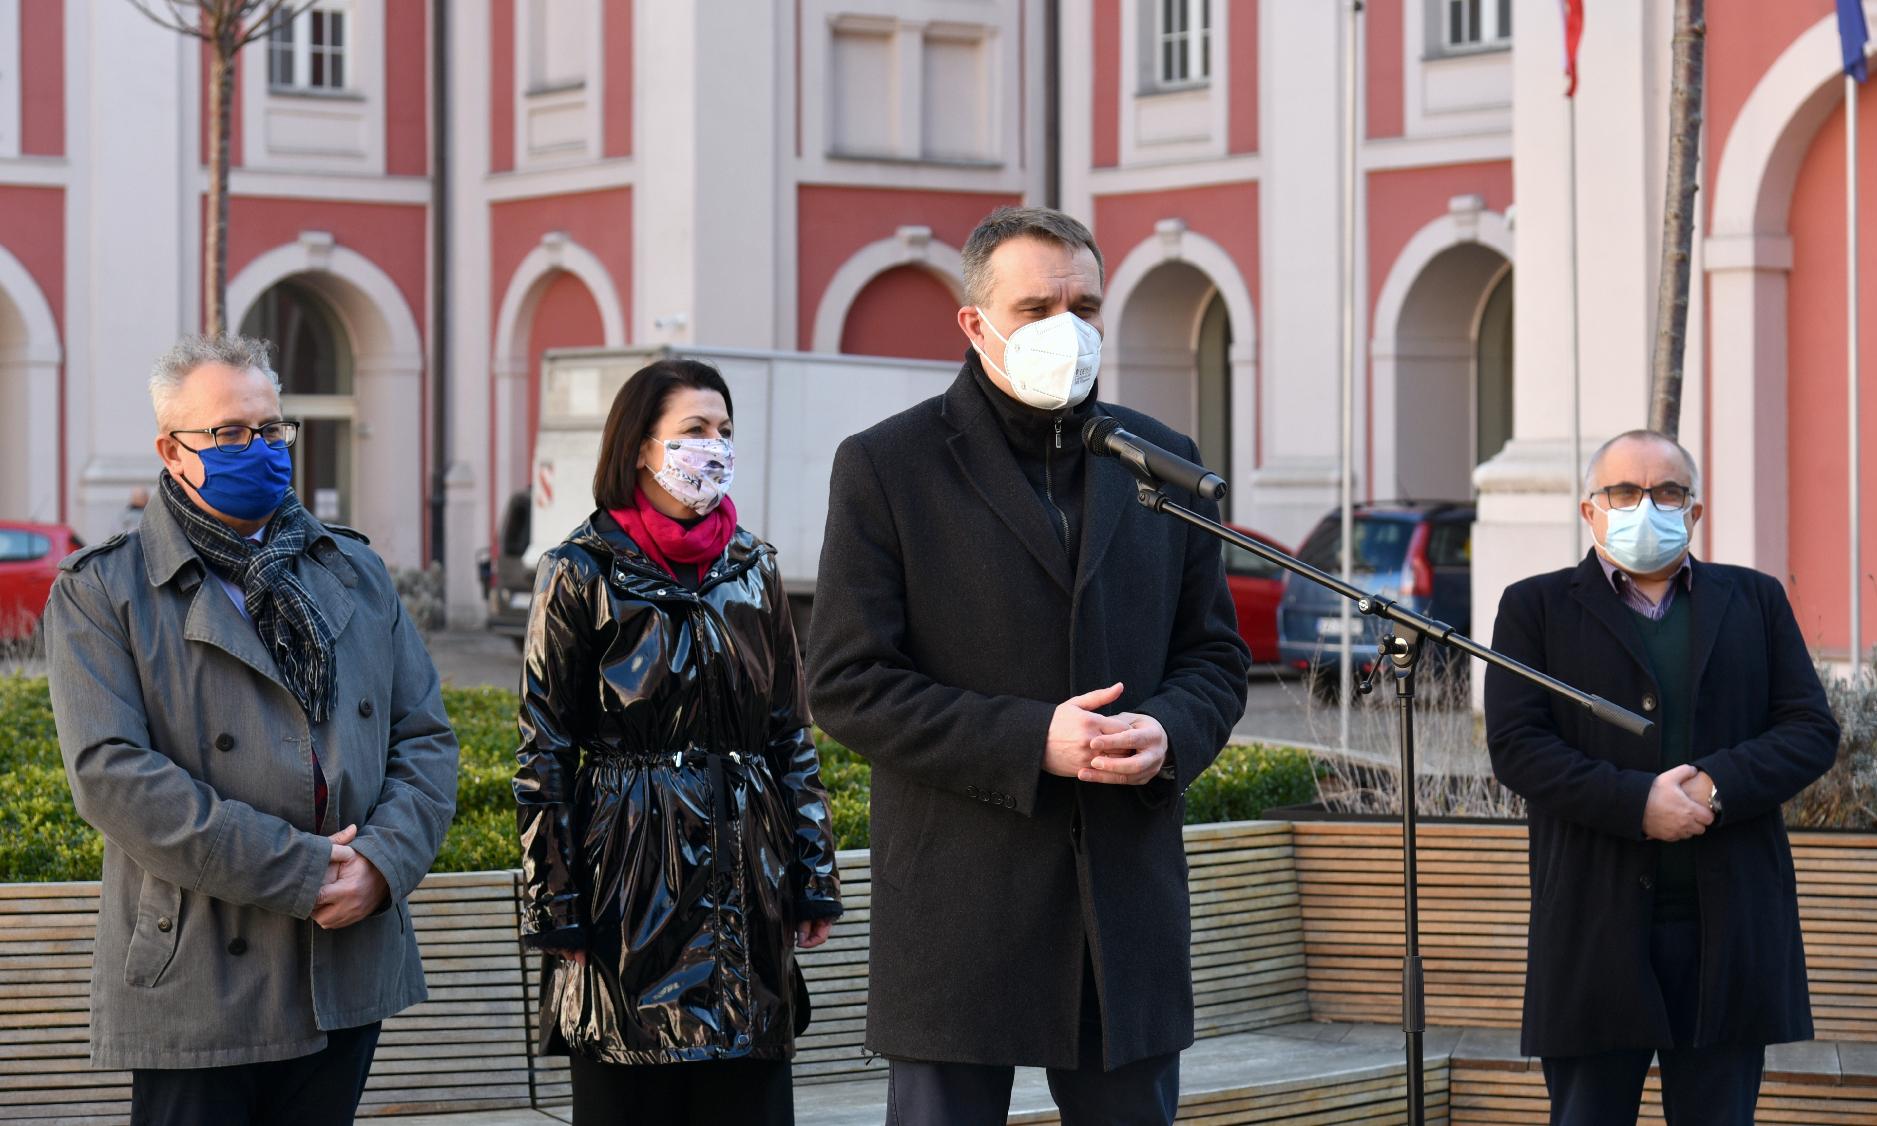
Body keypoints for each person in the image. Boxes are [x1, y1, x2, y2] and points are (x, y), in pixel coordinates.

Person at [806, 206, 1251, 1124]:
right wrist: (1030, 740)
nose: (1069, 331)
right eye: (1038, 307)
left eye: (1085, 306)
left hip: (1122, 918)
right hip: (961, 911)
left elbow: (1214, 656)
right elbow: (846, 682)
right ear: (975, 324)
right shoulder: (889, 465)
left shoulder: (1162, 461)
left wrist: (1168, 731)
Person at [44, 334, 460, 1126]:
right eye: (230, 433)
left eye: (272, 429)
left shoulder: (354, 571)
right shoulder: (105, 590)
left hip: (344, 960)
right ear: (172, 450)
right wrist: (303, 872)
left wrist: (380, 864)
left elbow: (425, 740)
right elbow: (112, 776)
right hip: (200, 969)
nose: (261, 448)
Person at [515, 358, 839, 1126]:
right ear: (639, 447)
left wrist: (811, 872)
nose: (714, 447)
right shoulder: (579, 572)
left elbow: (791, 731)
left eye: (724, 430)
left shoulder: (754, 570)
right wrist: (555, 906)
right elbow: (544, 749)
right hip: (625, 896)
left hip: (745, 894)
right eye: (694, 430)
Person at [1485, 429, 1838, 1126]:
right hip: (1594, 925)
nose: (1645, 505)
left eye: (1667, 491)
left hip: (1729, 929)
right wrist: (1637, 803)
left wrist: (1714, 786)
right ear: (1591, 510)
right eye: (1623, 491)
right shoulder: (1536, 608)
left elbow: (1810, 730)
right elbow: (1518, 746)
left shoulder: (1756, 600)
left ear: (1695, 512)